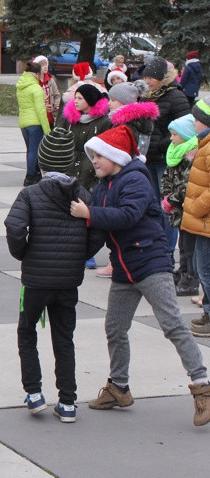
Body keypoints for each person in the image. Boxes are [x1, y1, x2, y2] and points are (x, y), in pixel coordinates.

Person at [70, 125, 210, 427]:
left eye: (98, 157)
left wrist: (89, 214)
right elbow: (97, 224)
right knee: (115, 328)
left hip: (150, 263)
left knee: (172, 325)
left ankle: (203, 387)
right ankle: (119, 387)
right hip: (125, 267)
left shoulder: (135, 179)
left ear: (115, 156)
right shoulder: (105, 183)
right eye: (91, 157)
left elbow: (127, 216)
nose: (93, 161)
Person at [5, 128, 104, 423]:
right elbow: (97, 228)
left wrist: (22, 253)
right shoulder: (82, 194)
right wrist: (81, 254)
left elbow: (14, 226)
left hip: (35, 281)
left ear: (42, 163)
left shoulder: (31, 193)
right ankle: (68, 401)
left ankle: (34, 393)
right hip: (67, 282)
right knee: (64, 337)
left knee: (27, 332)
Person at [95, 80, 157, 278]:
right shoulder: (128, 120)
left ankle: (116, 261)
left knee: (120, 211)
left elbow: (129, 149)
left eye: (113, 100)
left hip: (124, 171)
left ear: (124, 102)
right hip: (126, 170)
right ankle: (116, 260)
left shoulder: (128, 123)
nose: (110, 103)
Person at [143, 56, 192, 257]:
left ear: (162, 77)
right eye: (146, 77)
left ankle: (167, 251)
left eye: (151, 77)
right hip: (150, 158)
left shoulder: (176, 96)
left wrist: (163, 145)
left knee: (167, 207)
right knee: (154, 205)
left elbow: (186, 129)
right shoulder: (149, 95)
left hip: (167, 159)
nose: (147, 81)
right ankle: (158, 246)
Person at [161, 114, 200, 296]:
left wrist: (172, 199)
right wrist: (166, 195)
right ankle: (183, 270)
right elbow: (167, 177)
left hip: (189, 208)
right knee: (182, 243)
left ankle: (190, 277)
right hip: (178, 208)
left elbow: (187, 183)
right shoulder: (174, 152)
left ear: (185, 135)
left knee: (190, 246)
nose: (171, 138)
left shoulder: (190, 155)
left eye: (175, 135)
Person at [183, 99, 210, 337]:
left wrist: (196, 209)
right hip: (204, 222)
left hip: (206, 220)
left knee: (206, 270)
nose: (194, 124)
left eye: (197, 120)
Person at [56, 84, 112, 191]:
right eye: (75, 98)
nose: (75, 101)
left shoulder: (104, 122)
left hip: (91, 167)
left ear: (90, 100)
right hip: (70, 165)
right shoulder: (69, 119)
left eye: (80, 98)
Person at [16, 61, 50, 187]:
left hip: (24, 122)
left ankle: (35, 174)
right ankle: (30, 176)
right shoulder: (36, 89)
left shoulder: (21, 86)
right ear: (37, 74)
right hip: (35, 123)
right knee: (34, 150)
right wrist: (47, 130)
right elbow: (41, 111)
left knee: (30, 150)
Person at [31, 55, 61, 128]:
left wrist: (56, 105)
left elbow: (57, 95)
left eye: (46, 64)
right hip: (38, 116)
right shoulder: (33, 81)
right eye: (42, 65)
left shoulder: (50, 80)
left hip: (50, 116)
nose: (45, 66)